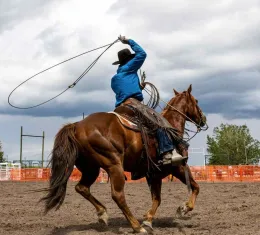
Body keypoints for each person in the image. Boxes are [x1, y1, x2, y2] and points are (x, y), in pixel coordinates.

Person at [111, 35, 185, 166]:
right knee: (160, 123)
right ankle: (167, 153)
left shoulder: (115, 78)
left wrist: (138, 87)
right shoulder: (130, 67)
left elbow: (124, 90)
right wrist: (128, 41)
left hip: (120, 107)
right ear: (129, 60)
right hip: (134, 104)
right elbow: (142, 54)